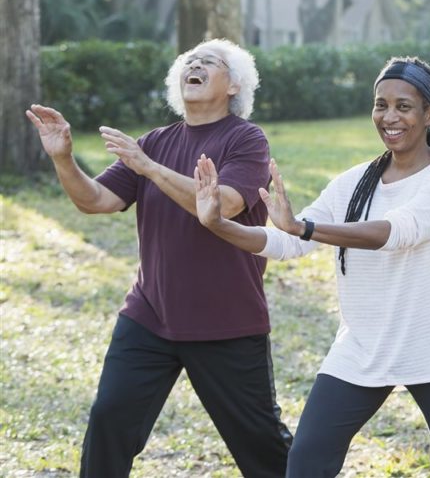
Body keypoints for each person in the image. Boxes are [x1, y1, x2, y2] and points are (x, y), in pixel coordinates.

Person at [193, 56, 430, 478]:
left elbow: (394, 232)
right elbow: (285, 243)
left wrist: (306, 226)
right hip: (362, 346)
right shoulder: (354, 181)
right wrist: (217, 224)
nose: (389, 117)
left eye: (403, 106)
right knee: (306, 462)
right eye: (381, 105)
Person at [25, 40, 292, 477]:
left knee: (262, 448)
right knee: (109, 420)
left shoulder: (246, 139)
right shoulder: (155, 142)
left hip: (225, 320)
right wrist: (64, 159)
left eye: (210, 62)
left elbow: (220, 206)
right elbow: (96, 200)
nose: (196, 64)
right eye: (190, 61)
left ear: (234, 85)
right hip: (150, 315)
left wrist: (148, 167)